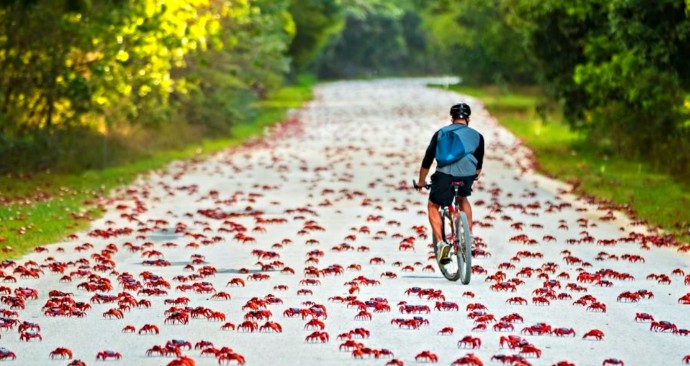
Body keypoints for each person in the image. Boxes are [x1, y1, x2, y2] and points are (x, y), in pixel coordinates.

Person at [414, 102, 484, 264]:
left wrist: (421, 181)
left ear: (452, 118)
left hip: (444, 175)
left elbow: (427, 159)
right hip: (466, 175)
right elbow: (478, 166)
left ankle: (440, 243)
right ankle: (470, 236)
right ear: (468, 119)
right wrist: (472, 177)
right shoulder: (478, 136)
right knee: (462, 198)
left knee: (433, 205)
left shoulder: (440, 133)